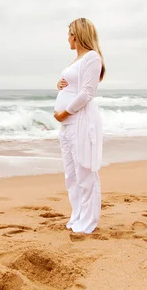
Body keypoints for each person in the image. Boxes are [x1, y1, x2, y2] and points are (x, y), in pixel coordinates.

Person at [53, 18, 105, 234]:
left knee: (84, 173)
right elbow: (73, 85)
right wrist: (60, 85)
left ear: (77, 34)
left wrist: (65, 112)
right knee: (71, 175)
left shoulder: (92, 58)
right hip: (66, 126)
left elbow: (86, 93)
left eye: (69, 34)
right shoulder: (76, 60)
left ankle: (88, 221)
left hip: (79, 122)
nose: (67, 38)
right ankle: (77, 216)